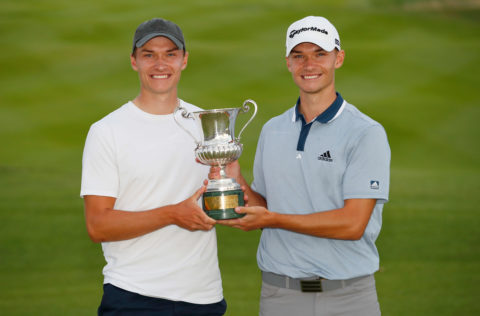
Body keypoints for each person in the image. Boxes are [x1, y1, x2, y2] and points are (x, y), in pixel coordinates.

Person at [213, 16, 391, 316]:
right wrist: (236, 180)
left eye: (319, 54)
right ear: (288, 63)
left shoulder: (365, 132)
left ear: (339, 58)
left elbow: (352, 224)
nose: (309, 65)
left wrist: (273, 219)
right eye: (299, 56)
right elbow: (265, 204)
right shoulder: (273, 129)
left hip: (348, 297)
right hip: (280, 294)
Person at [80, 18, 227, 315]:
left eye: (170, 54)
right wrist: (173, 214)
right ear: (134, 61)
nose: (160, 64)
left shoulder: (207, 124)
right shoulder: (107, 131)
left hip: (204, 296)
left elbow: (230, 203)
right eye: (149, 54)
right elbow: (98, 225)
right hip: (134, 295)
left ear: (184, 60)